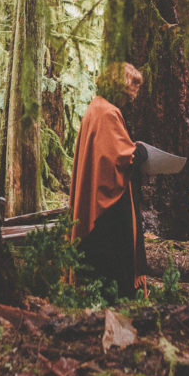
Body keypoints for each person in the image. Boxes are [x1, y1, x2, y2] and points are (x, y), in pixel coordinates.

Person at [69, 62, 148, 299]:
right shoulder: (107, 112)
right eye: (127, 97)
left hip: (96, 201)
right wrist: (141, 152)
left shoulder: (95, 108)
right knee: (113, 260)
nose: (128, 103)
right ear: (118, 89)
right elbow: (122, 157)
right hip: (107, 210)